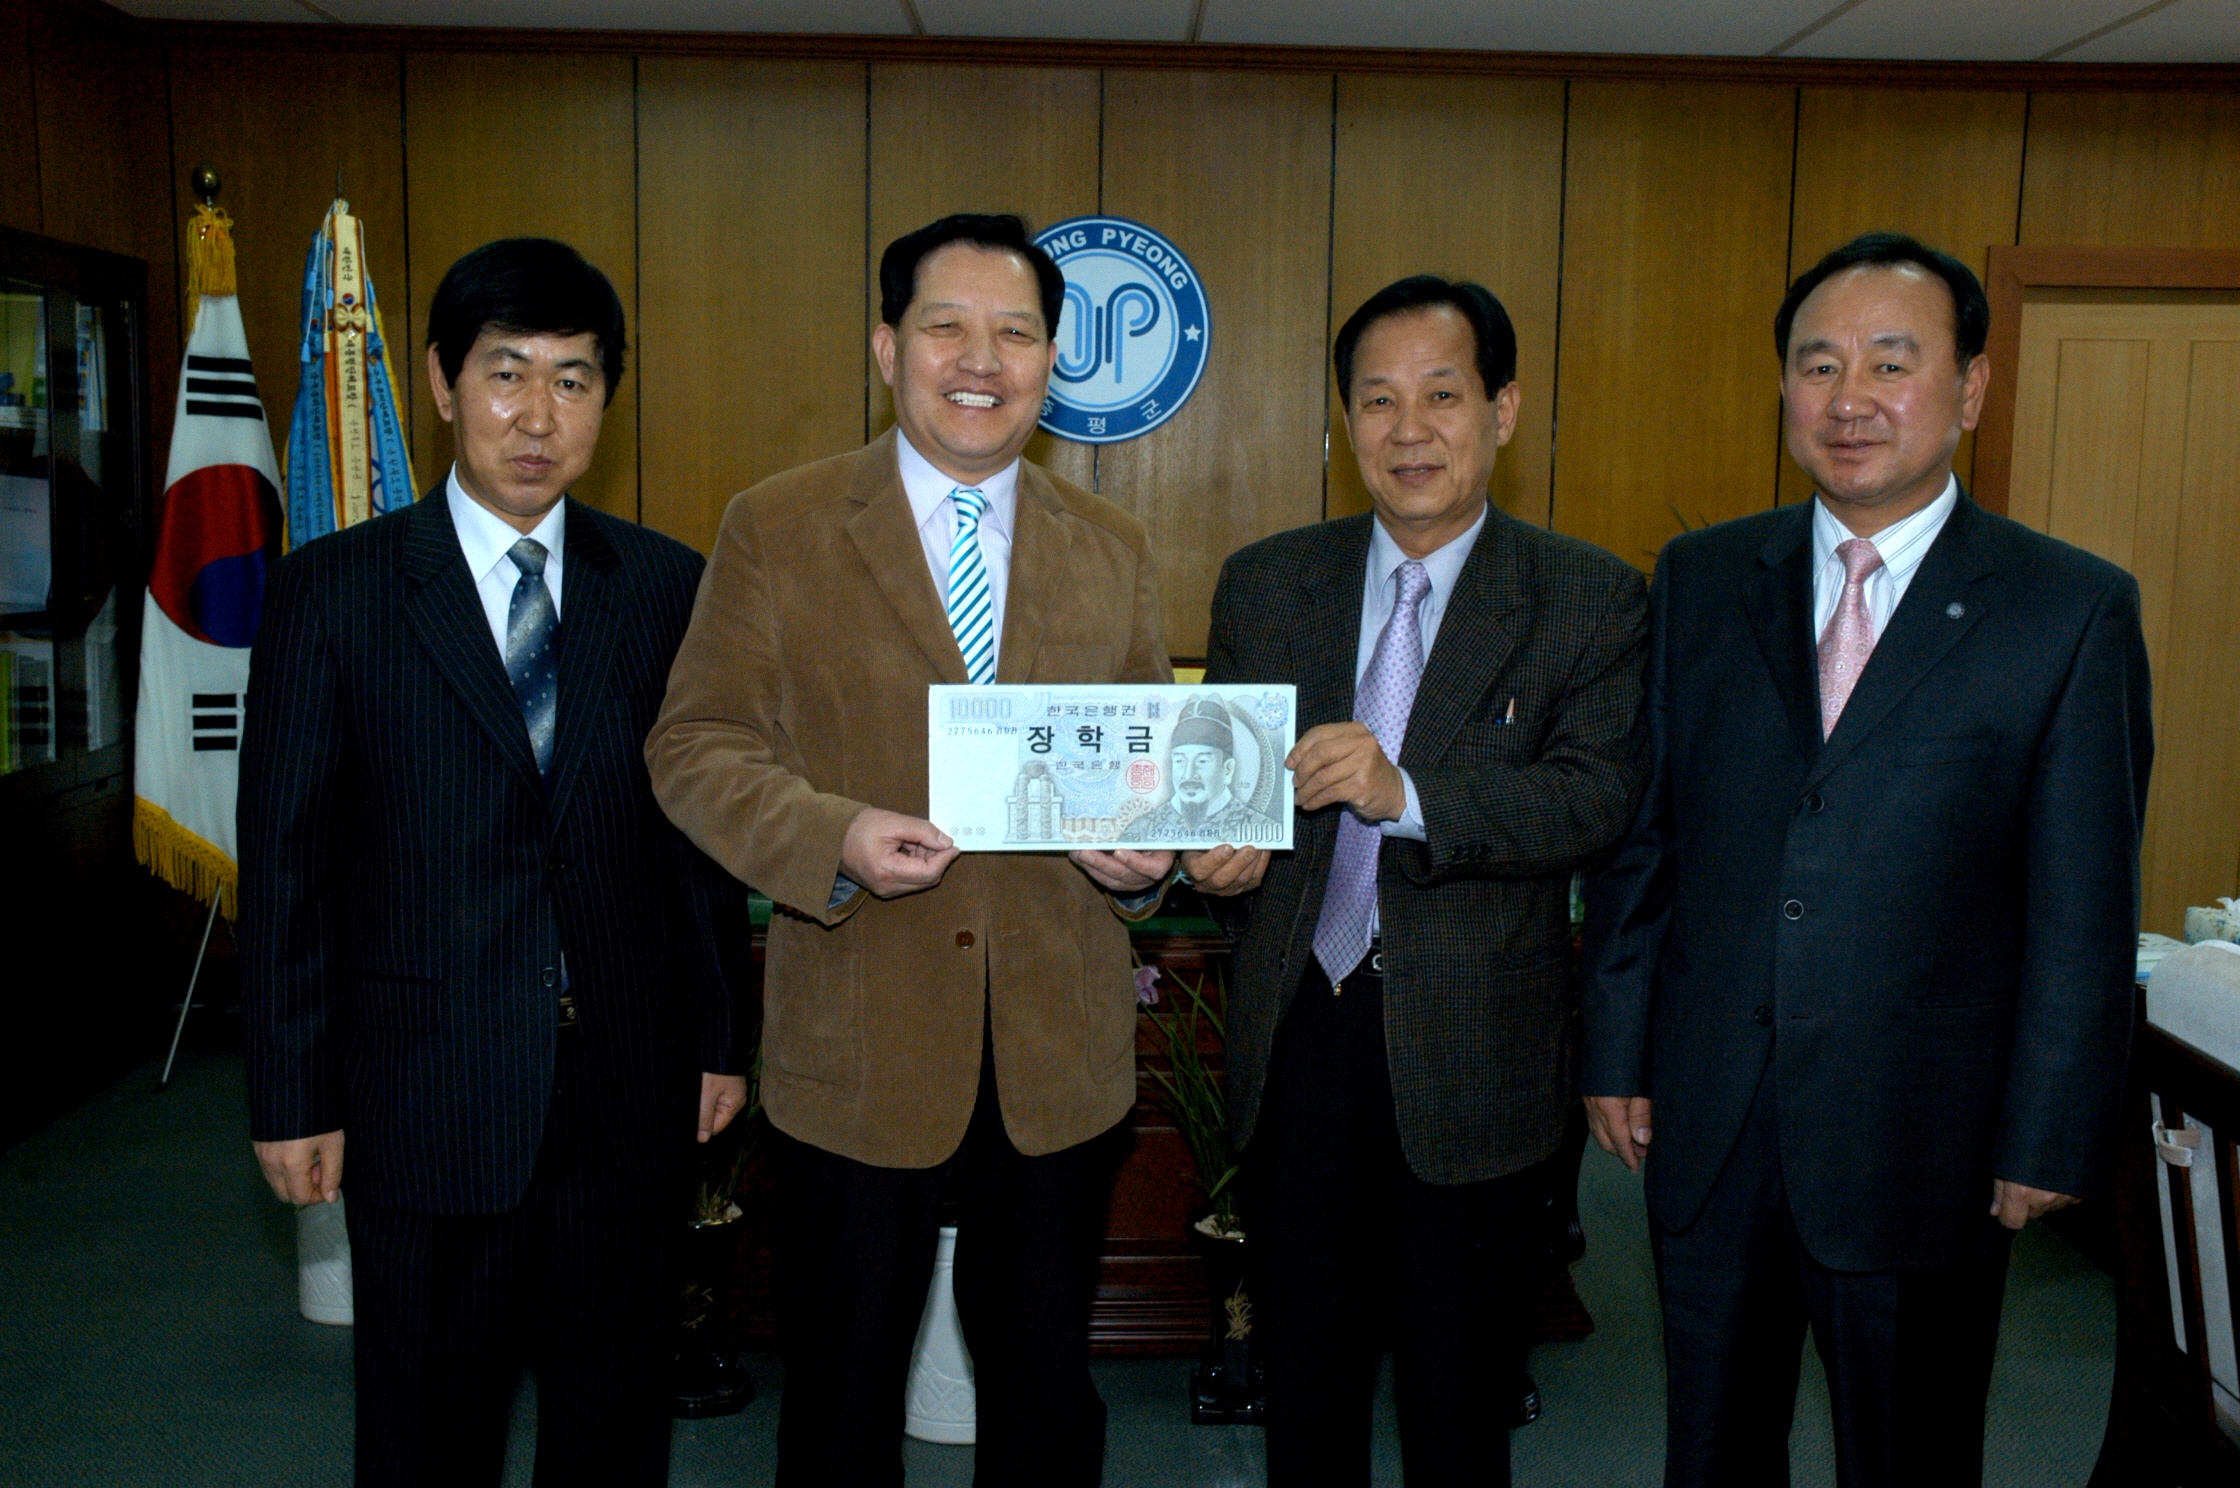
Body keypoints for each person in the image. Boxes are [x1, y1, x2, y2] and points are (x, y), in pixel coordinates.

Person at [1582, 232, 2153, 1487]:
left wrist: (2049, 1131)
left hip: (1924, 1137)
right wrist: (1616, 1049)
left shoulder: (2065, 608)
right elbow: (1646, 836)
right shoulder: (1702, 578)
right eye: (1816, 364)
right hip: (1713, 1115)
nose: (1848, 399)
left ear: (1969, 387)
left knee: (1909, 1459)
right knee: (1709, 1453)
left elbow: (2081, 903)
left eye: (1890, 363)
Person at [644, 212, 1174, 1487]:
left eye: (1015, 333)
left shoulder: (1110, 545)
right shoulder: (777, 525)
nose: (980, 360)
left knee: (1046, 1401)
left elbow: (1143, 767)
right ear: (887, 348)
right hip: (859, 1046)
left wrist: (1144, 860)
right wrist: (829, 834)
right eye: (946, 328)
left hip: (1055, 1054)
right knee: (838, 1403)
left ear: (1052, 360)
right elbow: (694, 744)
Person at [238, 238, 750, 1487]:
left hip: (625, 1086)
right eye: (506, 374)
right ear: (440, 381)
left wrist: (720, 1038)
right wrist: (293, 1095)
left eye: (573, 381)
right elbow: (288, 865)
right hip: (426, 1088)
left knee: (614, 1423)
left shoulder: (666, 587)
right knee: (427, 1426)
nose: (536, 416)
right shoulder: (334, 594)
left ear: (605, 400)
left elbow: (696, 841)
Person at [1182, 274, 1650, 1486]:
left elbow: (1593, 799)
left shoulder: (1586, 596)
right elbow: (1227, 794)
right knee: (1305, 1400)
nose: (1407, 430)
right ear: (1344, 420)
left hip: (1474, 1057)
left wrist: (1409, 794)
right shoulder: (1267, 583)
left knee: (1458, 1412)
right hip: (1297, 1038)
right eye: (1376, 400)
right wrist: (1217, 857)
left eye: (1440, 396)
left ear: (1501, 409)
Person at [1122, 694, 1284, 844]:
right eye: (1179, 761)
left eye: (1202, 761)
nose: (1188, 774)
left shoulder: (1262, 828)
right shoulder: (1141, 830)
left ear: (1227, 770)